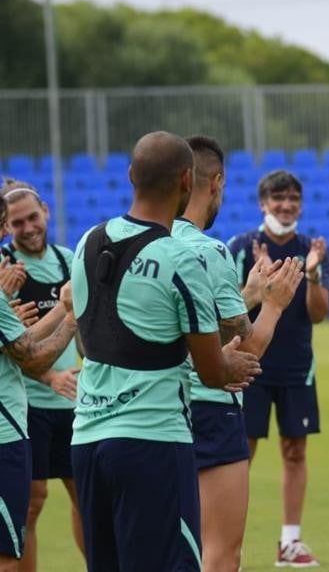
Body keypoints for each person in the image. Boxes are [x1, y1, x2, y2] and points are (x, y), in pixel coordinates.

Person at [69, 131, 260, 571]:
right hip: (151, 440)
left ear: (131, 175)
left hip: (87, 439)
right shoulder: (180, 260)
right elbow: (213, 371)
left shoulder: (86, 243)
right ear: (186, 181)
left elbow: (87, 340)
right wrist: (234, 361)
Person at [175, 136, 304, 572]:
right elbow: (241, 354)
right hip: (211, 411)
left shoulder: (125, 241)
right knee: (221, 553)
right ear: (216, 182)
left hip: (155, 415)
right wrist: (273, 304)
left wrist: (246, 293)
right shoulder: (209, 249)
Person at [227, 169, 329, 567]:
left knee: (295, 450)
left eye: (293, 199)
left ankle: (290, 542)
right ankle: (226, 536)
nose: (286, 206)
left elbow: (319, 314)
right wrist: (260, 286)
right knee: (240, 454)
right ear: (263, 203)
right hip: (247, 364)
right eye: (278, 199)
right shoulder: (240, 247)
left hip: (296, 367)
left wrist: (314, 272)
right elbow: (225, 311)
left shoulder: (312, 247)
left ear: (300, 204)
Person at [0, 179, 84, 571]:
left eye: (33, 217)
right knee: (30, 502)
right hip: (28, 405)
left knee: (85, 495)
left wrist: (90, 369)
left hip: (75, 400)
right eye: (16, 223)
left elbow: (84, 331)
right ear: (7, 228)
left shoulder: (69, 261)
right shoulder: (6, 271)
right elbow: (19, 350)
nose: (28, 227)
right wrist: (50, 377)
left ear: (46, 212)